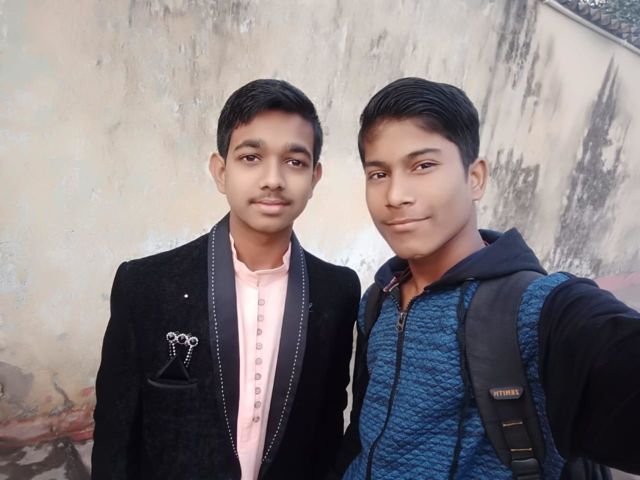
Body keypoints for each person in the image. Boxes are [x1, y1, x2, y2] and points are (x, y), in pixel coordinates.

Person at [338, 77, 640, 479]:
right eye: (379, 174)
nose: (395, 195)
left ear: (475, 177)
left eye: (423, 166)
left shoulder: (538, 311)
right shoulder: (378, 300)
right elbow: (362, 430)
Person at [92, 79, 360, 480]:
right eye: (251, 157)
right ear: (221, 171)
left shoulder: (337, 291)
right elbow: (115, 437)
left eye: (294, 162)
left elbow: (327, 425)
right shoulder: (146, 285)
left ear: (314, 178)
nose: (273, 179)